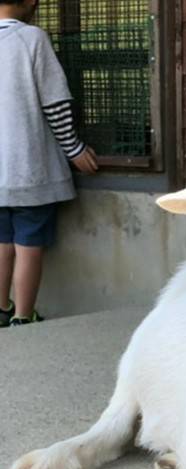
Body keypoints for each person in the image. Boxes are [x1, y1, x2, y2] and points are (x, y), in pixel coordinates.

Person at [0, 0, 98, 327]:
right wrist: (74, 149)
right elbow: (55, 103)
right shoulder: (32, 39)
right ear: (30, 2)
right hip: (28, 169)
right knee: (28, 244)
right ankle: (23, 318)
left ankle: (1, 310)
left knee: (1, 243)